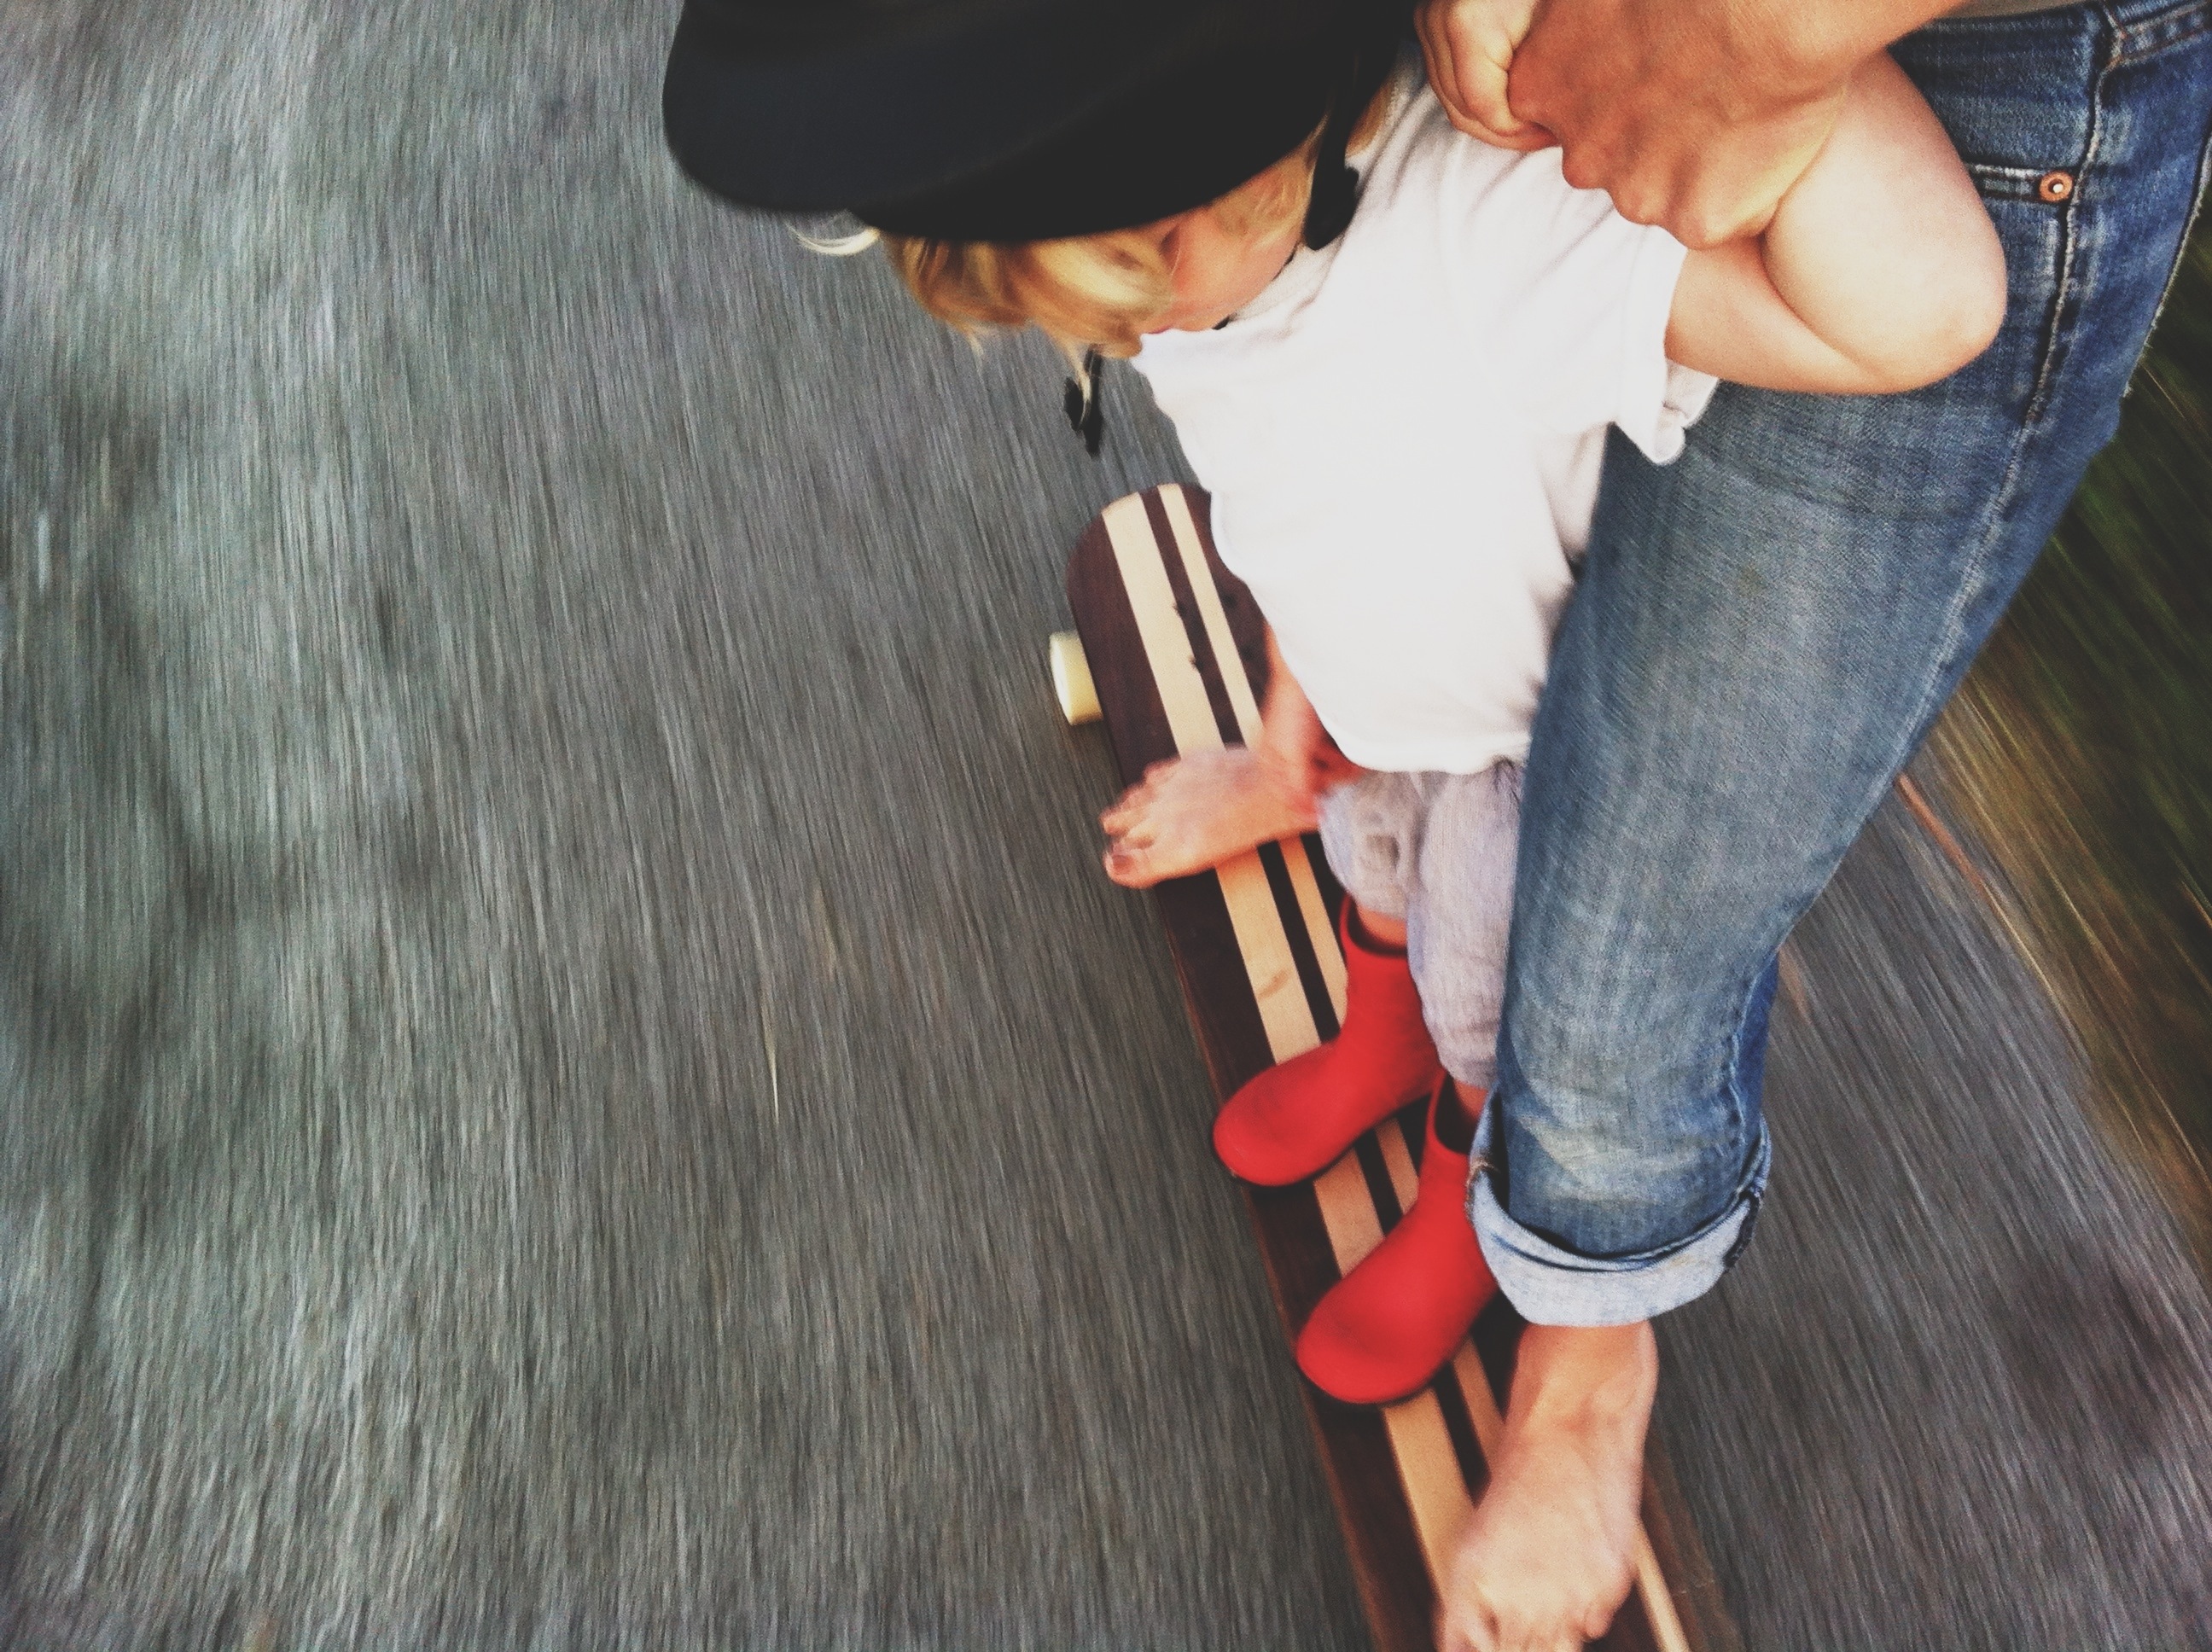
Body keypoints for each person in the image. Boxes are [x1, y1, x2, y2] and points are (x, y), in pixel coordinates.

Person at [663, 3, 2212, 1647]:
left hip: (1508, 764)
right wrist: (1289, 721)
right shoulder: (1200, 274)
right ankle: (1378, 1036)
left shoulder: (1488, 235)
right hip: (1386, 728)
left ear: (1207, 189)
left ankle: (1472, 1191)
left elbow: (1928, 310)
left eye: (1120, 304)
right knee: (1374, 878)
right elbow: (1281, 483)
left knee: (1502, 999)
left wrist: (1782, 50)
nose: (1128, 348)